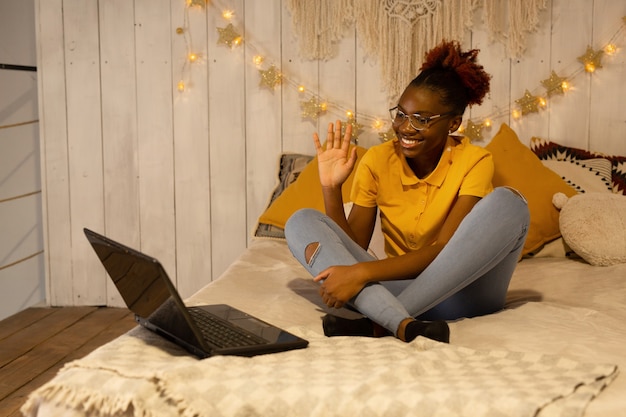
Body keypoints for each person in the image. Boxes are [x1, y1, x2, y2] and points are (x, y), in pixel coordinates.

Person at [284, 40, 530, 344]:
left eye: (421, 119)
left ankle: (380, 323)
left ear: (454, 123)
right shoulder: (376, 160)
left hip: (463, 293)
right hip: (393, 286)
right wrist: (331, 188)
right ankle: (403, 322)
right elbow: (351, 246)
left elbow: (443, 249)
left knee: (510, 203)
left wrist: (361, 275)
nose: (405, 127)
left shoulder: (475, 161)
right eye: (400, 114)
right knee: (300, 221)